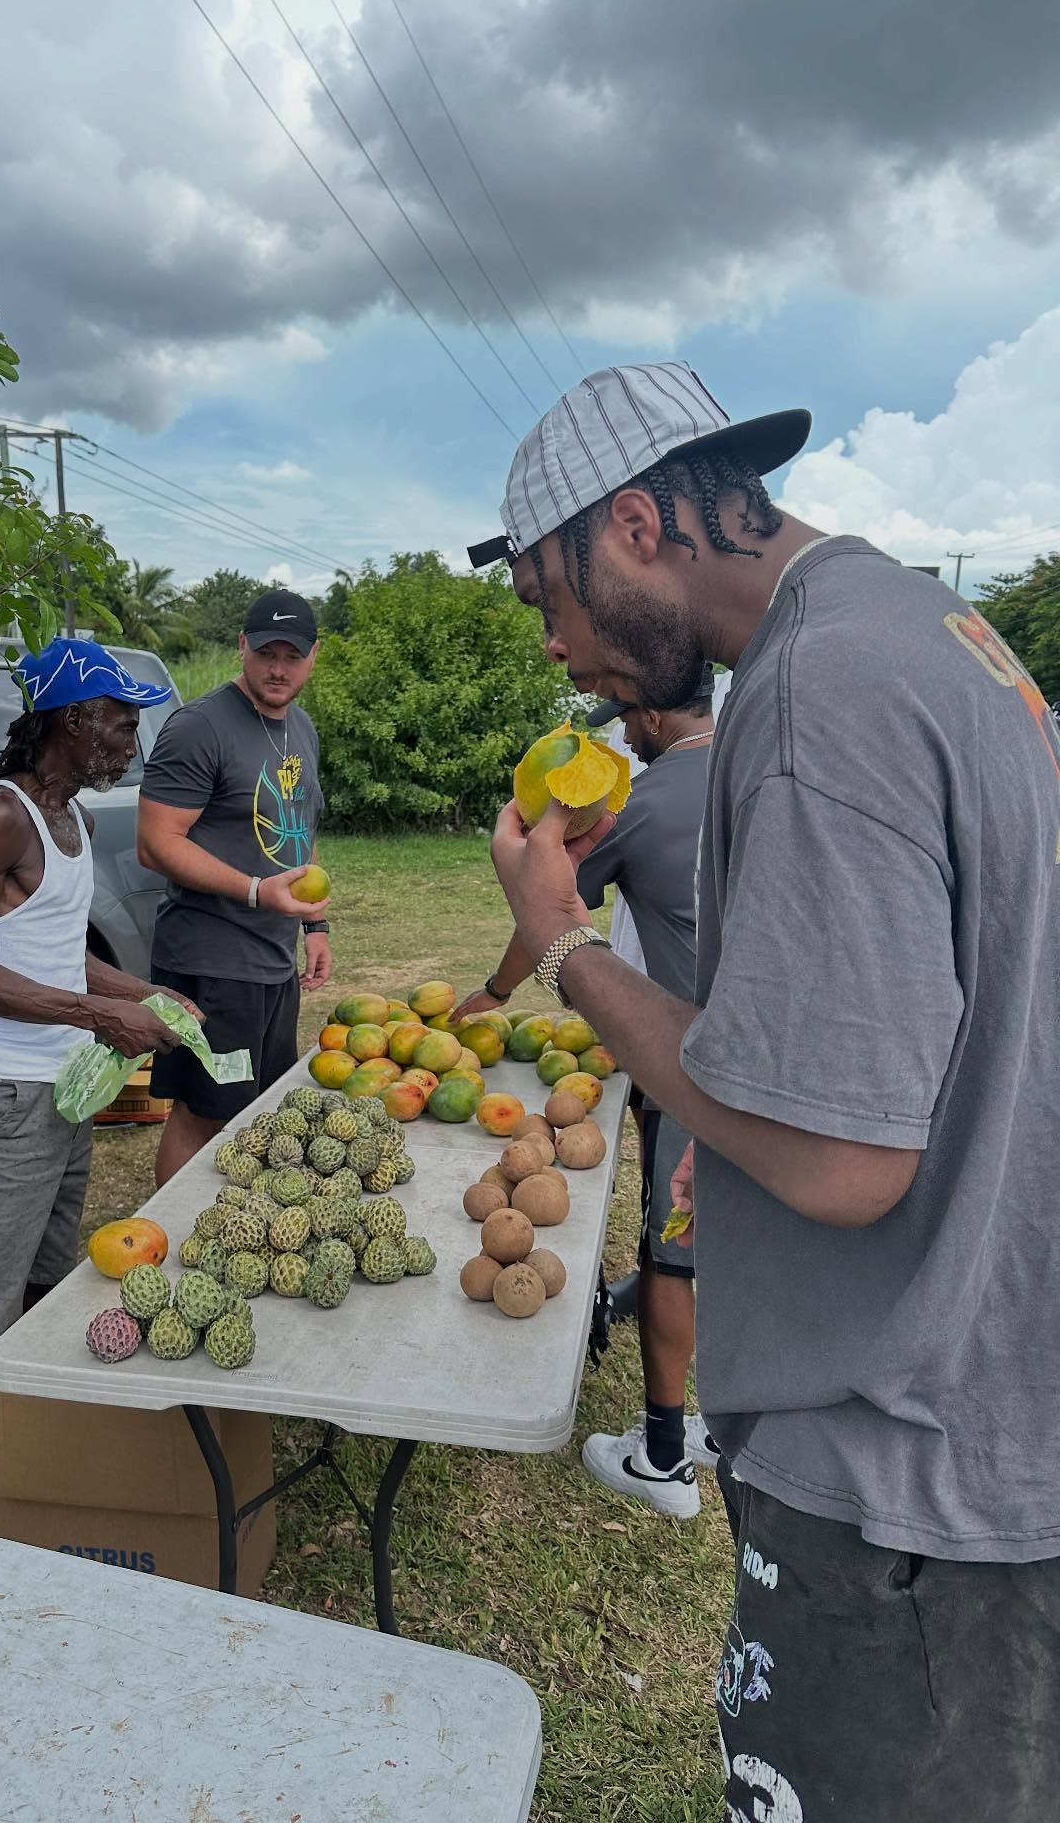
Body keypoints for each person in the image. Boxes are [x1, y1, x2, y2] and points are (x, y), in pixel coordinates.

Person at [470, 360, 1060, 1818]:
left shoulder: (811, 698)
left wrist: (563, 943)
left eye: (549, 600)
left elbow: (841, 1160)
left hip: (902, 1477)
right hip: (987, 1402)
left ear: (635, 527)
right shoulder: (925, 627)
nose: (556, 651)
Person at [0, 640, 186, 1519]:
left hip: (64, 1094)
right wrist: (100, 1017)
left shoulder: (75, 822)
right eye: (121, 724)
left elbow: (58, 957)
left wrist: (144, 995)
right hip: (4, 1102)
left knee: (35, 1300)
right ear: (73, 721)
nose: (132, 742)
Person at [454, 674, 719, 1517]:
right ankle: (732, 1428)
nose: (619, 746)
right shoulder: (764, 769)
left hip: (691, 1069)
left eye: (624, 724)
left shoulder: (644, 803)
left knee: (672, 1253)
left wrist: (497, 991)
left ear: (650, 712)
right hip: (780, 1064)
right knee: (741, 1240)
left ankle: (665, 1457)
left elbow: (547, 916)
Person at [138, 590, 330, 1186]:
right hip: (211, 958)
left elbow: (298, 830)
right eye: (266, 653)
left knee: (259, 1107)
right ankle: (170, 1231)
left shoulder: (301, 728)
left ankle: (226, 1218)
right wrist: (254, 891)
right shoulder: (200, 727)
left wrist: (314, 924)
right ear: (242, 646)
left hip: (271, 957)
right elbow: (156, 843)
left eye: (292, 656)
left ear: (313, 657)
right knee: (204, 1111)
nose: (278, 669)